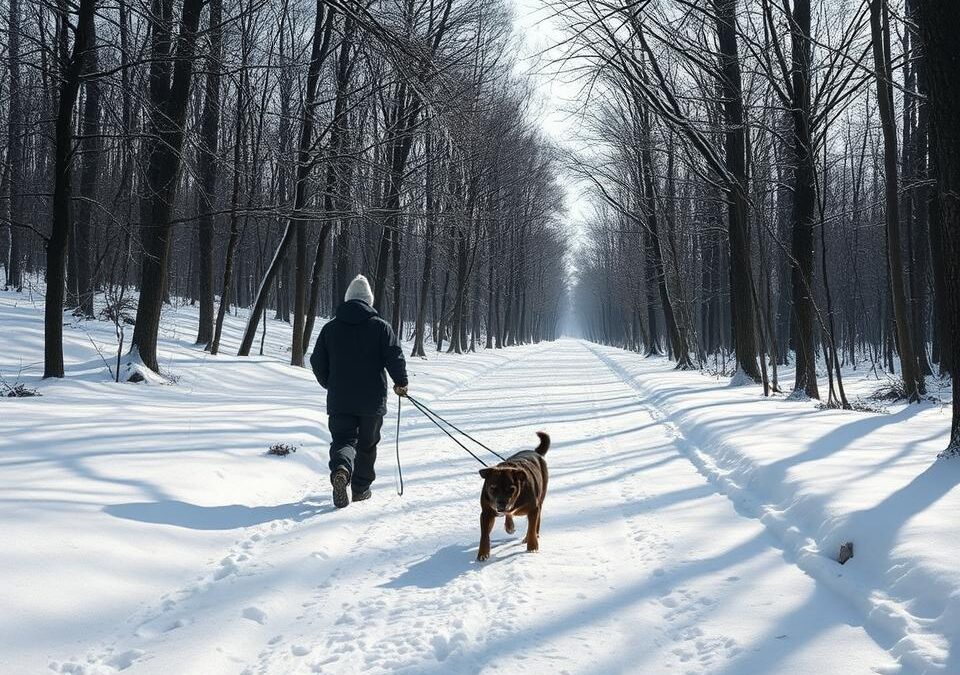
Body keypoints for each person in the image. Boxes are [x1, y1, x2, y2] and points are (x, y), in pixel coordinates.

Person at [310, 275, 408, 508]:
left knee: (343, 439)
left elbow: (316, 361)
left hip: (340, 399)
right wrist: (401, 382)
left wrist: (329, 383)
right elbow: (394, 356)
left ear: (347, 300)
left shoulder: (330, 328)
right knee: (367, 444)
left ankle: (342, 470)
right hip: (371, 401)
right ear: (369, 301)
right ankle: (361, 489)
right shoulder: (381, 327)